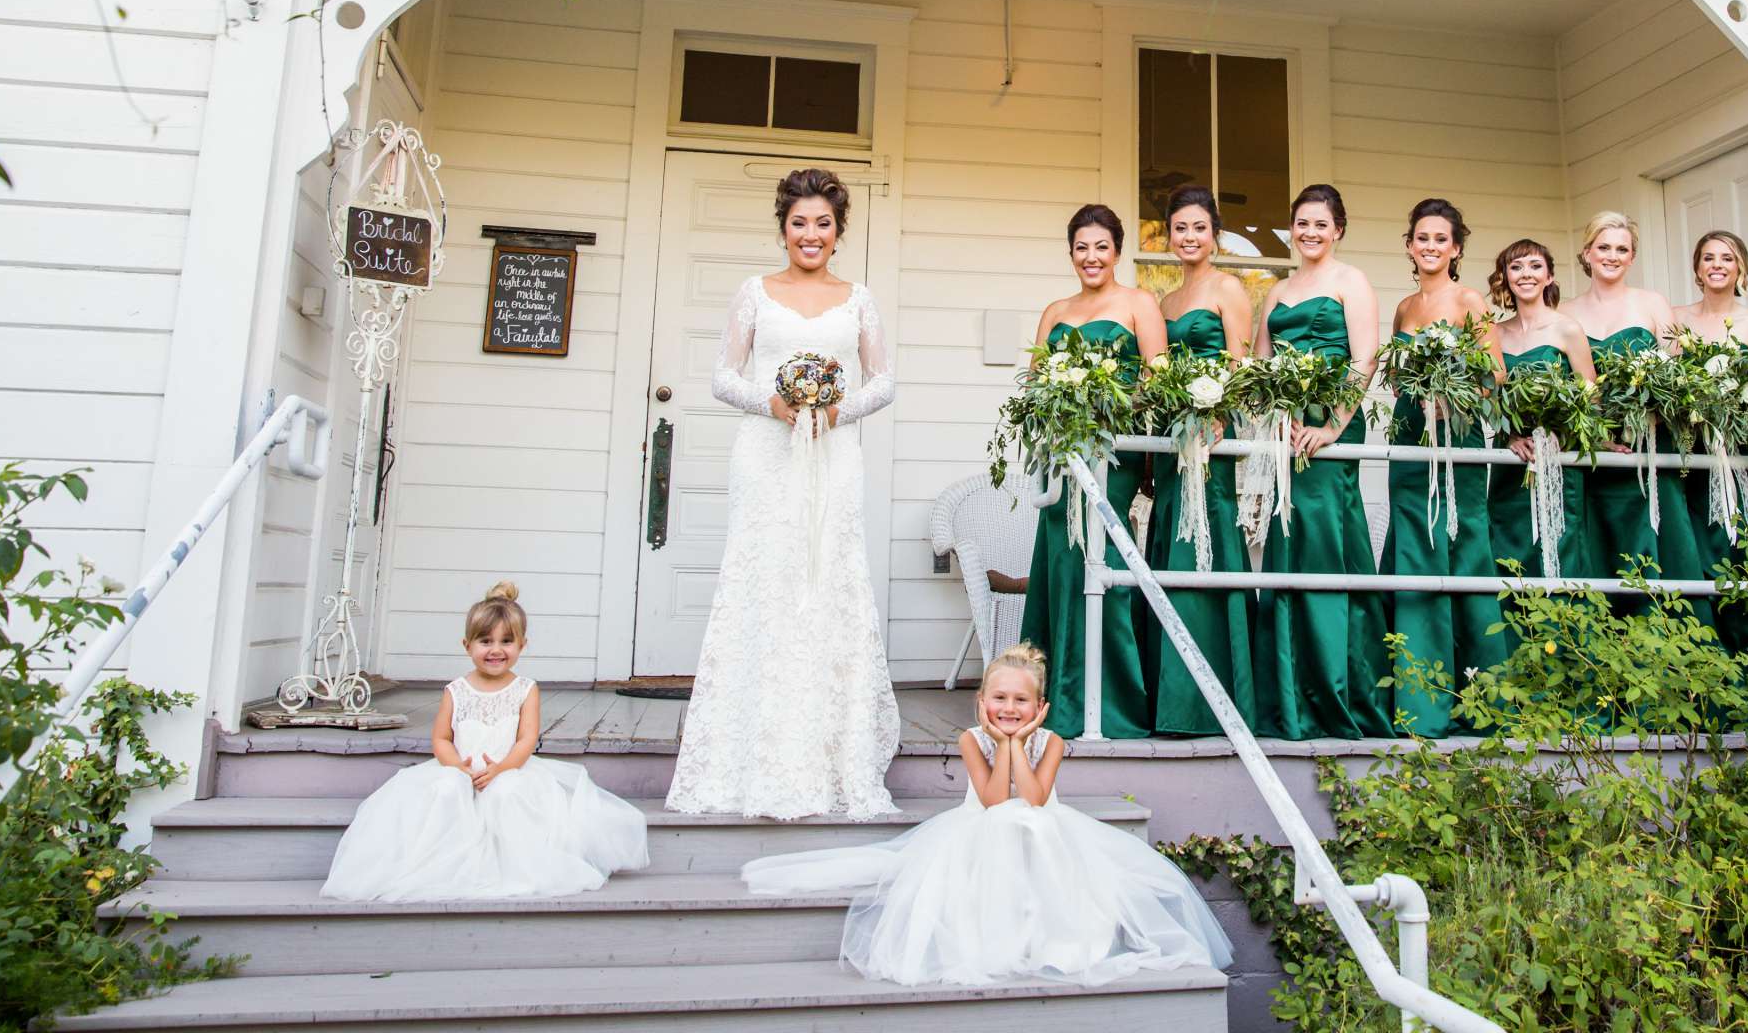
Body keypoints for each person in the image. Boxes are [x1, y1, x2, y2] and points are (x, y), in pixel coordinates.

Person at [741, 643, 1232, 986]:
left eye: (1021, 701)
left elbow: (1035, 798)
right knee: (1005, 821)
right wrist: (1001, 742)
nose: (1009, 708)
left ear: (1039, 707)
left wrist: (1019, 744)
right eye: (999, 699)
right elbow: (996, 801)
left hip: (1042, 837)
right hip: (981, 836)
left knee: (1031, 822)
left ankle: (1049, 933)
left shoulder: (1052, 742)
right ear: (981, 703)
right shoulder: (971, 740)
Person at [666, 167, 902, 819]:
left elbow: (883, 382)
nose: (810, 234)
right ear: (783, 228)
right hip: (766, 457)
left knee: (829, 581)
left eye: (822, 223)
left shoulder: (858, 298)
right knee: (764, 585)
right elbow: (721, 376)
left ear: (838, 231)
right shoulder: (754, 293)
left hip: (834, 456)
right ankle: (751, 756)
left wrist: (838, 412)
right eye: (799, 222)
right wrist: (769, 404)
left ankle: (832, 759)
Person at [321, 583, 647, 900]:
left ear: (522, 645)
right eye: (485, 641)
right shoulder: (456, 690)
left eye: (507, 641)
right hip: (461, 768)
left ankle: (515, 862)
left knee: (508, 793)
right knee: (446, 788)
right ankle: (441, 862)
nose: (495, 650)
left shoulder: (525, 689)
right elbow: (442, 737)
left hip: (509, 769)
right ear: (467, 645)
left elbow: (526, 739)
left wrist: (502, 768)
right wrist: (457, 768)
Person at [1017, 204, 1167, 738]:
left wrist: (1108, 404)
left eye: (1101, 246)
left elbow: (1156, 381)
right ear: (1071, 253)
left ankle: (1113, 703)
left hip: (1113, 451)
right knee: (1061, 558)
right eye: (1082, 247)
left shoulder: (1137, 303)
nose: (1091, 256)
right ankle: (1054, 694)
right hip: (1061, 454)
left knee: (1100, 552)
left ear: (1118, 251)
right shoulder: (1055, 310)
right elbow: (1034, 385)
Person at [1253, 184, 1390, 739]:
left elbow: (1365, 358)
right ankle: (1290, 698)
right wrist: (1274, 414)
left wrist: (1331, 424)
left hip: (1328, 434)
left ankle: (1337, 692)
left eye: (1320, 224)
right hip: (1284, 434)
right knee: (1287, 549)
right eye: (1301, 224)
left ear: (1338, 229)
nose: (1310, 233)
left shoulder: (1350, 281)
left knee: (1326, 546)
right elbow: (1261, 363)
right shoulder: (1277, 291)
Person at [1146, 184, 1261, 736]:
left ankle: (1213, 698)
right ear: (1168, 236)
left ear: (1214, 234)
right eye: (1179, 228)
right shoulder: (1164, 303)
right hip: (1174, 437)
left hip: (1214, 434)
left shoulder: (1229, 288)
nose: (1188, 237)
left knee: (1208, 542)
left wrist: (1219, 415)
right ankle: (1171, 697)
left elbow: (1240, 364)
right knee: (1173, 542)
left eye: (1198, 227)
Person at [1467, 239, 1603, 701]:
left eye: (1534, 266)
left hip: (1558, 468)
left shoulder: (1567, 330)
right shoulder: (1495, 334)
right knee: (1509, 559)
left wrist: (1562, 435)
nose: (1525, 273)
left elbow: (1590, 397)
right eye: (1515, 266)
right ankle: (1515, 681)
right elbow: (1486, 399)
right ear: (1504, 277)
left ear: (1549, 276)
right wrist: (1507, 435)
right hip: (1511, 467)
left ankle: (1568, 678)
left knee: (1561, 557)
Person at [1559, 211, 1710, 619]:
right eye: (1603, 247)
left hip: (1648, 444)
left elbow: (1681, 376)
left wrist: (1655, 412)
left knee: (1655, 536)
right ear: (1587, 253)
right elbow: (1565, 386)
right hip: (1593, 451)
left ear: (1632, 257)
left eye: (1621, 249)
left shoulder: (1652, 303)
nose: (1612, 256)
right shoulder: (1566, 311)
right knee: (1599, 541)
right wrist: (1593, 429)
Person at [1380, 198, 1492, 738]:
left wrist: (1454, 394)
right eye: (1421, 237)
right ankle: (1416, 699)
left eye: (1440, 238)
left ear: (1456, 247)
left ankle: (1477, 696)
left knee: (1459, 545)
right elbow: (1395, 378)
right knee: (1413, 549)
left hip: (1455, 436)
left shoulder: (1470, 300)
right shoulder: (1403, 308)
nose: (1430, 246)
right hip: (1409, 435)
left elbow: (1493, 376)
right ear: (1409, 245)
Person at [1672, 229, 1748, 663]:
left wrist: (1739, 415)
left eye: (1727, 258)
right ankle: (1709, 652)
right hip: (1688, 453)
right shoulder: (1676, 320)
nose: (1717, 265)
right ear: (1697, 268)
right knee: (1694, 546)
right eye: (1708, 258)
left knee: (1741, 544)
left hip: (1737, 452)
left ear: (1741, 267)